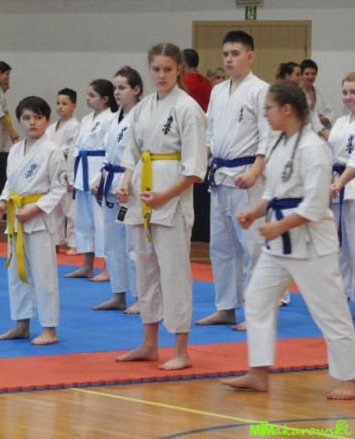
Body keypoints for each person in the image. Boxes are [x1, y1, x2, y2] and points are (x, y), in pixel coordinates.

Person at [223, 81, 355, 400]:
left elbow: (314, 206)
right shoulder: (280, 142)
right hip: (279, 242)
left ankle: (350, 379)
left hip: (311, 244)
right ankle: (259, 372)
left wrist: (277, 227)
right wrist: (254, 212)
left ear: (287, 110)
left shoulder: (314, 149)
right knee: (257, 299)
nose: (265, 114)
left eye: (268, 108)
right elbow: (273, 191)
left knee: (330, 311)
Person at [116, 43, 207, 371]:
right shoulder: (143, 107)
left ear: (179, 69)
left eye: (168, 69)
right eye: (156, 69)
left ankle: (181, 350)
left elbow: (195, 169)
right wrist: (125, 183)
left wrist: (165, 196)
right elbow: (131, 153)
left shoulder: (188, 108)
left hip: (172, 198)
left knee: (174, 273)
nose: (162, 75)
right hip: (142, 194)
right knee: (145, 270)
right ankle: (149, 344)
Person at [196, 31, 270, 331]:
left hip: (247, 175)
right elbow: (210, 134)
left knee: (253, 246)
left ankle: (258, 312)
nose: (229, 59)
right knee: (221, 246)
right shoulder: (217, 91)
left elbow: (268, 136)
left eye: (235, 53)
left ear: (250, 56)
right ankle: (225, 307)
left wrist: (255, 171)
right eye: (225, 53)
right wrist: (199, 165)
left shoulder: (261, 90)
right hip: (220, 176)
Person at [0, 96, 66, 345]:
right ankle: (21, 324)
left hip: (39, 220)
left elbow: (59, 188)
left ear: (47, 120)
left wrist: (35, 209)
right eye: (26, 118)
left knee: (44, 277)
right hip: (16, 218)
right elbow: (10, 183)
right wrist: (3, 203)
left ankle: (49, 329)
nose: (32, 122)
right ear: (19, 121)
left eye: (38, 117)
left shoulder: (52, 150)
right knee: (17, 274)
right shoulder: (15, 149)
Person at [92, 66, 143, 313]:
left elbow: (141, 155)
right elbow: (107, 155)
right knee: (113, 242)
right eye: (115, 88)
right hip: (111, 183)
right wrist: (99, 178)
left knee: (133, 245)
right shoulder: (113, 118)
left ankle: (141, 296)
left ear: (136, 89)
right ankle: (118, 294)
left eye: (122, 87)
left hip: (130, 186)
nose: (117, 92)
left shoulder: (142, 117)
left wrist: (128, 184)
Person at [65, 79, 117, 280]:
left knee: (102, 222)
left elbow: (110, 151)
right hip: (83, 170)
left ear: (105, 99)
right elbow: (76, 148)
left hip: (99, 171)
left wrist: (101, 177)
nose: (87, 98)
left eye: (92, 95)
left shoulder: (111, 118)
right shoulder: (86, 119)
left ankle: (108, 268)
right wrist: (72, 176)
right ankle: (87, 265)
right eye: (87, 94)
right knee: (85, 221)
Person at [328, 72, 355, 303]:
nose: (348, 97)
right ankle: (342, 294)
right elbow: (329, 155)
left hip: (350, 187)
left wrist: (340, 182)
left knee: (354, 245)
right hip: (337, 187)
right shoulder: (340, 122)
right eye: (345, 92)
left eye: (353, 92)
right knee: (340, 247)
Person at [44, 88, 80, 255]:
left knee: (70, 210)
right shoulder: (51, 128)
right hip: (53, 172)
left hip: (67, 171)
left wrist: (71, 178)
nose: (60, 106)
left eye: (64, 103)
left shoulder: (75, 126)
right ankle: (55, 241)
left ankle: (74, 243)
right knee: (54, 209)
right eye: (58, 103)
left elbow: (74, 153)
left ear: (74, 106)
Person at [278, 61, 325, 137]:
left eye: (300, 74)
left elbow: (314, 119)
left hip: (304, 135)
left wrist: (327, 138)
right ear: (288, 76)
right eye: (297, 75)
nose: (300, 78)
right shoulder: (277, 94)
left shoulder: (302, 93)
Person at [300, 59, 335, 131]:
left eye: (313, 74)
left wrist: (324, 119)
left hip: (319, 133)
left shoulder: (320, 93)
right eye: (307, 74)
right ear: (301, 75)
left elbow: (330, 112)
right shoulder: (296, 93)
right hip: (302, 132)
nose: (310, 77)